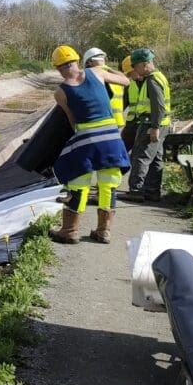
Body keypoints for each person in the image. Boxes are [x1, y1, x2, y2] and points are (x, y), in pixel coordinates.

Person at [49, 45, 130, 244]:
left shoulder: (60, 92)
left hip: (86, 140)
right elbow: (126, 80)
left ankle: (69, 231)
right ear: (77, 61)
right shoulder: (96, 72)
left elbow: (72, 120)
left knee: (78, 183)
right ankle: (103, 232)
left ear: (58, 68)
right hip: (111, 138)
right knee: (108, 185)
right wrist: (107, 68)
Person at [125, 48, 172, 203]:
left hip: (151, 123)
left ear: (145, 64)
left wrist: (155, 127)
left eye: (135, 66)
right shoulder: (158, 77)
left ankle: (136, 190)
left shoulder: (152, 80)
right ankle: (153, 191)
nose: (134, 69)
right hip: (161, 123)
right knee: (157, 157)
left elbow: (158, 106)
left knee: (140, 156)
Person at [82, 47, 126, 130]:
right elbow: (126, 80)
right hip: (116, 121)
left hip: (101, 122)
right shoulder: (113, 76)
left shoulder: (92, 76)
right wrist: (108, 69)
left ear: (89, 62)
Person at [120, 55, 143, 152]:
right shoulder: (130, 85)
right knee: (122, 150)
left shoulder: (151, 82)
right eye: (128, 74)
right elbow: (122, 104)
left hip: (145, 124)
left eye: (129, 73)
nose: (129, 77)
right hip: (132, 124)